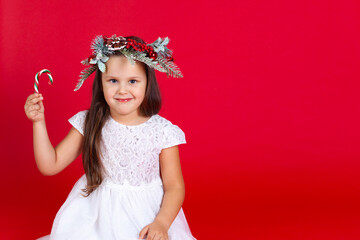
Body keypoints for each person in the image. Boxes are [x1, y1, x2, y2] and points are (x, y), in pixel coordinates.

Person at [24, 35, 197, 240]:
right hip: (97, 215)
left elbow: (175, 186)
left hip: (148, 214)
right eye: (113, 80)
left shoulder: (162, 131)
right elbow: (49, 165)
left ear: (147, 83)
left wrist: (161, 222)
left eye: (133, 81)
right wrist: (38, 122)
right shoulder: (89, 122)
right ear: (101, 82)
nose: (122, 90)